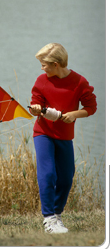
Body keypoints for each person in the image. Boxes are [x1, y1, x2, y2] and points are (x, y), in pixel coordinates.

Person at [29, 43, 97, 234]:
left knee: (66, 177)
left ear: (56, 64)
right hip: (43, 134)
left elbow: (91, 107)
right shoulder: (42, 81)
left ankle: (57, 214)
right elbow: (36, 102)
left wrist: (75, 113)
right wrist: (36, 108)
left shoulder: (79, 82)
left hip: (65, 136)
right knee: (48, 174)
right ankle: (49, 219)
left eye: (44, 64)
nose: (42, 68)